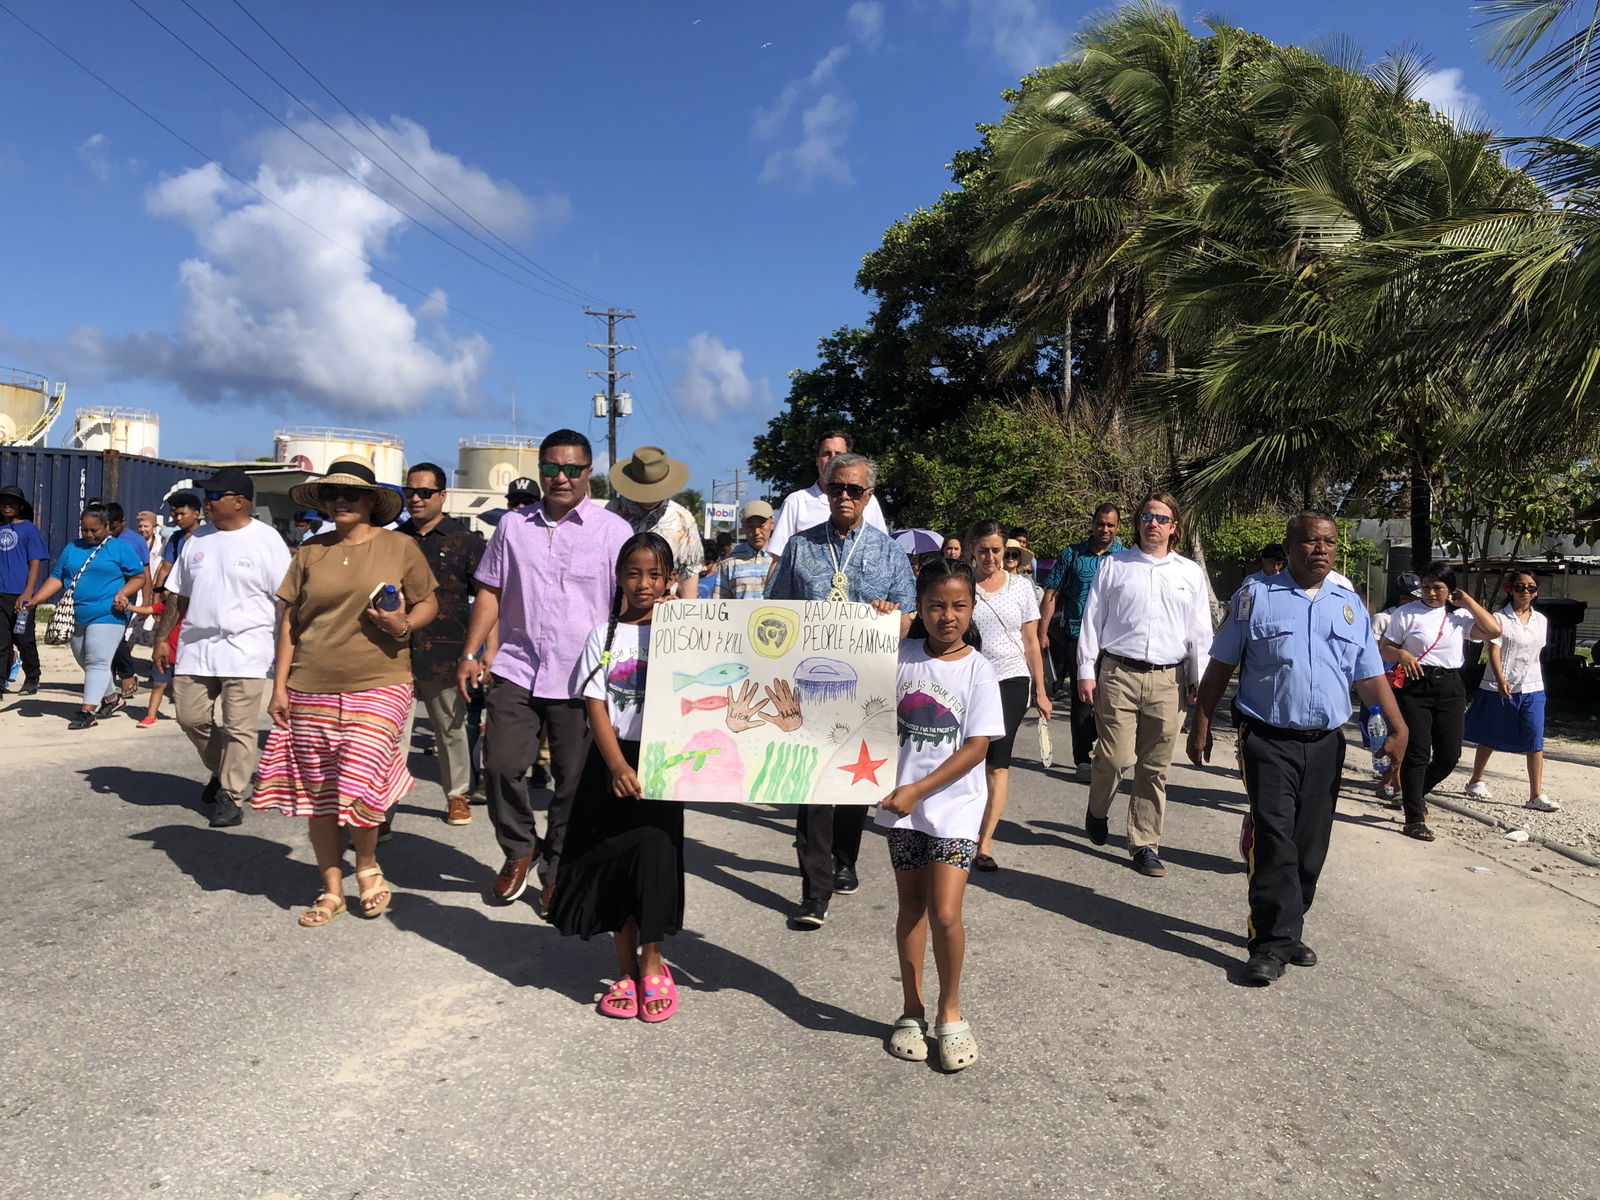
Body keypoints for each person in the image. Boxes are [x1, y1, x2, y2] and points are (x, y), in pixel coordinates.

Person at [1187, 512, 1407, 985]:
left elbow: (1367, 675)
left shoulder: (1349, 605)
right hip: (1266, 738)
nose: (1321, 550)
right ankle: (1267, 942)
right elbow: (1222, 665)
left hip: (1326, 743)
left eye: (1328, 542)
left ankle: (1289, 926)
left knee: (1310, 847)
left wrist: (1396, 724)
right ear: (1290, 547)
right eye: (1310, 542)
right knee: (1274, 839)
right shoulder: (1255, 597)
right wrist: (1201, 721)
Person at [251, 457, 438, 922]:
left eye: (351, 494)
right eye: (333, 493)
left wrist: (404, 624)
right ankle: (331, 888)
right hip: (310, 683)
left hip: (381, 680)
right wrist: (279, 687)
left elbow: (428, 601)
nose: (340, 500)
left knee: (360, 779)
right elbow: (290, 623)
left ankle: (368, 864)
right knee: (319, 792)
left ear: (372, 500)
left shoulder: (399, 547)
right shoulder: (310, 552)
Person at [460, 429, 633, 908]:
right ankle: (519, 848)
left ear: (588, 473)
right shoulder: (514, 528)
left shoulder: (613, 532)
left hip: (581, 677)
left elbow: (628, 602)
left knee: (573, 782)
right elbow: (491, 590)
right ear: (540, 472)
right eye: (552, 468)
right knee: (499, 766)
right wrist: (472, 652)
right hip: (516, 667)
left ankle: (556, 865)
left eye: (572, 469)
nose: (561, 477)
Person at [768, 451, 917, 929]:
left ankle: (845, 857)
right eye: (838, 488)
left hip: (865, 689)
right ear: (826, 490)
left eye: (856, 490)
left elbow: (910, 614)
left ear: (869, 495)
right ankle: (814, 892)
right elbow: (775, 613)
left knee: (854, 783)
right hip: (810, 686)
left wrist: (887, 618)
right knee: (812, 786)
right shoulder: (799, 546)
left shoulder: (888, 551)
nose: (846, 496)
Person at [548, 532, 685, 1022]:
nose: (643, 583)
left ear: (670, 579)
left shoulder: (684, 632)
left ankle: (653, 965)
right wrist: (618, 766)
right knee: (615, 866)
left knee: (651, 864)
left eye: (654, 574)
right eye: (633, 573)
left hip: (663, 766)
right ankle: (624, 969)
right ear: (618, 578)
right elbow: (595, 706)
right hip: (611, 766)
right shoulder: (602, 636)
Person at [877, 556, 1004, 1072]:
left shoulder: (979, 668)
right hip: (901, 812)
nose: (946, 616)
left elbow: (977, 747)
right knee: (911, 908)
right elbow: (846, 663)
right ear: (920, 608)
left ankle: (951, 1013)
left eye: (958, 606)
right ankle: (911, 1010)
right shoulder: (898, 655)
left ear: (972, 608)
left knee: (946, 912)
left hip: (955, 808)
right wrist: (879, 618)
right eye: (935, 605)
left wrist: (920, 790)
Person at [1077, 492, 1213, 877]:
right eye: (1146, 516)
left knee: (1154, 767)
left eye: (1161, 518)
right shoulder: (1115, 567)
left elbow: (1200, 632)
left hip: (1169, 679)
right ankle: (1097, 808)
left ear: (1174, 528)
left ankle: (1144, 844)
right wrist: (1086, 669)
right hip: (1119, 673)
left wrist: (1198, 681)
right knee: (1116, 758)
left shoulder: (1188, 573)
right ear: (1137, 523)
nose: (1153, 523)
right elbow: (1093, 619)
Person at [155, 470, 292, 822]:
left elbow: (286, 602)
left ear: (240, 501)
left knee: (238, 727)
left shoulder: (267, 541)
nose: (208, 502)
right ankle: (224, 769)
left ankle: (231, 795)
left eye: (215, 495)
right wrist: (161, 639)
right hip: (196, 648)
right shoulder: (197, 540)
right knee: (190, 717)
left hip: (247, 649)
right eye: (207, 495)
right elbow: (178, 595)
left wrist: (291, 651)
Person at [1379, 562, 1502, 841]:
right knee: (1418, 753)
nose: (1431, 593)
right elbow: (1385, 648)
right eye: (1426, 587)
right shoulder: (1406, 613)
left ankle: (1414, 793)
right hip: (1415, 685)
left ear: (1449, 589)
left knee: (1449, 756)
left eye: (1438, 588)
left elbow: (1494, 630)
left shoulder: (1459, 616)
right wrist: (1402, 655)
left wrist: (1468, 601)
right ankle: (1414, 818)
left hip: (1450, 687)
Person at [398, 462, 485, 828]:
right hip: (396, 651)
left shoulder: (466, 541)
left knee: (450, 728)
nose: (416, 499)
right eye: (410, 492)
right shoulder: (394, 539)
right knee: (391, 734)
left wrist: (482, 654)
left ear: (443, 496)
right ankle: (382, 806)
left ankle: (457, 794)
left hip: (447, 650)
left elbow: (486, 598)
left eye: (424, 492)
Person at [965, 520, 1051, 872]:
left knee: (998, 761)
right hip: (968, 679)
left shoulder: (1021, 589)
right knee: (967, 756)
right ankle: (959, 829)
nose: (990, 557)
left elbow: (1031, 643)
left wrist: (1041, 692)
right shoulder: (962, 584)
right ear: (973, 550)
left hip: (1011, 680)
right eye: (983, 549)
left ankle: (984, 842)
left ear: (1006, 552)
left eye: (996, 550)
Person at [28, 504, 146, 729]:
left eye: (95, 530)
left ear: (107, 527)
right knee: (83, 658)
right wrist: (36, 599)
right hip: (76, 614)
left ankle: (87, 712)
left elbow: (139, 577)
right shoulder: (72, 548)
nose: (89, 535)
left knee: (97, 661)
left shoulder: (120, 549)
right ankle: (112, 699)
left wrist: (124, 593)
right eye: (85, 530)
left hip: (109, 614)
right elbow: (57, 577)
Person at [1039, 504, 1124, 777]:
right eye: (1101, 524)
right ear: (1093, 523)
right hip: (1077, 637)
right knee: (1083, 700)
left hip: (1113, 642)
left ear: (1118, 527)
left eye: (1111, 525)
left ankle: (1106, 753)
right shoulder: (1072, 554)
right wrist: (1042, 631)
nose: (1105, 529)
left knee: (1111, 700)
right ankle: (1083, 758)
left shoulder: (1125, 558)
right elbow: (1052, 593)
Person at [1463, 570, 1555, 811]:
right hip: (1499, 685)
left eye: (1531, 587)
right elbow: (1493, 649)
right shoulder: (1498, 618)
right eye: (1520, 587)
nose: (1525, 591)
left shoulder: (1541, 621)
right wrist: (1501, 678)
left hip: (1533, 686)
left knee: (1535, 737)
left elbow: (1537, 654)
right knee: (1490, 735)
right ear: (1509, 589)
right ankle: (1475, 780)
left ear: (1537, 592)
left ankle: (1536, 794)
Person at [766, 429, 888, 563]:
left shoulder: (867, 500)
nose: (833, 458)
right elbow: (779, 560)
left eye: (839, 453)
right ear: (817, 460)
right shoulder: (796, 502)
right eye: (827, 453)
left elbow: (883, 551)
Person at [607, 446, 703, 600]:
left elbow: (689, 571)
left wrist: (686, 611)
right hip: (618, 603)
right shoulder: (614, 511)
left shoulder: (682, 518)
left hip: (665, 608)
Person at [1368, 573, 1420, 804]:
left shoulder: (1417, 618)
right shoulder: (1382, 619)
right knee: (1389, 733)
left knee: (1405, 733)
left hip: (1409, 682)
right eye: (1412, 596)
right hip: (1386, 682)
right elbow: (1371, 654)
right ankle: (1395, 784)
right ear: (1401, 598)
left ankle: (1389, 782)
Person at [0, 483, 48, 697]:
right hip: (0, 594)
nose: (7, 505)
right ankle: (1, 682)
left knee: (23, 637)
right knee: (1, 640)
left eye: (12, 502)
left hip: (21, 595)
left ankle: (32, 676)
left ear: (20, 506)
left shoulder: (29, 529)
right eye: (4, 501)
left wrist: (28, 593)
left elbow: (35, 562)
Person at [714, 500, 775, 599]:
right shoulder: (730, 561)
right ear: (743, 527)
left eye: (761, 526)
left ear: (771, 524)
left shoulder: (783, 558)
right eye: (750, 527)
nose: (756, 532)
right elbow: (720, 602)